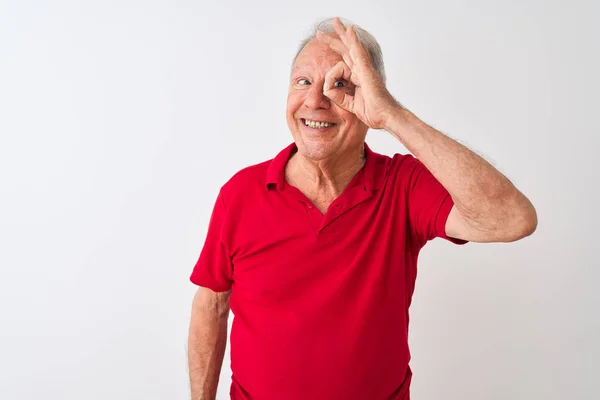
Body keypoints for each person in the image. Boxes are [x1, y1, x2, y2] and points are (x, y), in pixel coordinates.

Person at [187, 17, 537, 400]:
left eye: (340, 84)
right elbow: (212, 303)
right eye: (303, 81)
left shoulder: (402, 185)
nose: (315, 100)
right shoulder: (241, 193)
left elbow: (511, 219)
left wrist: (391, 114)